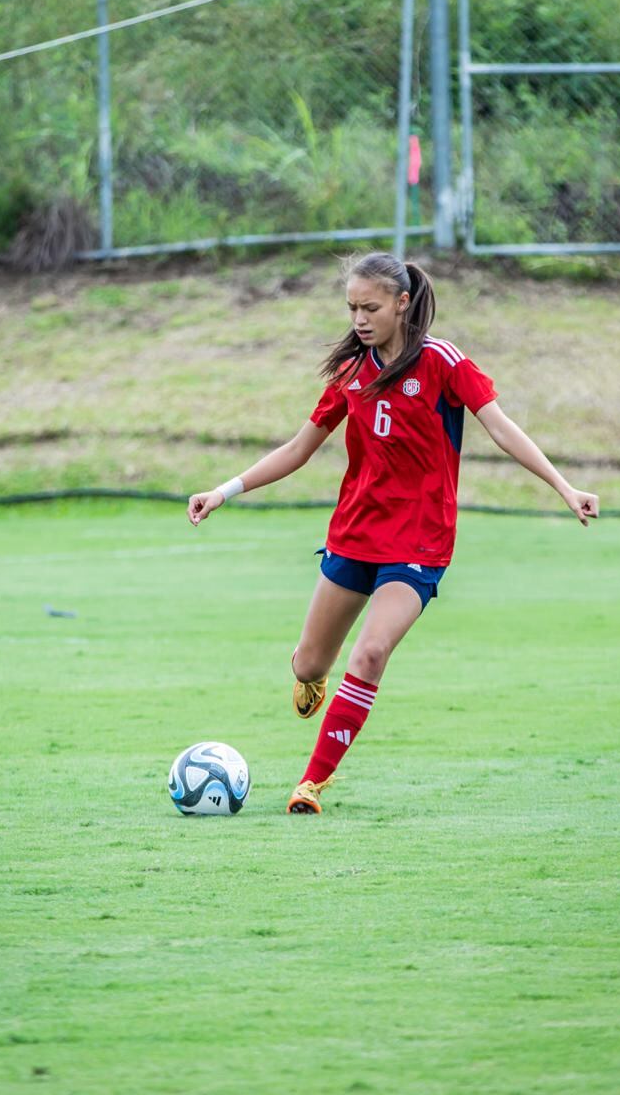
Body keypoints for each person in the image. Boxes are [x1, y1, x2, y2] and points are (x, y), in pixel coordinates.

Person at [187, 252, 599, 815]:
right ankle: (312, 676)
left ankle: (310, 784)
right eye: (352, 307)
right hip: (354, 536)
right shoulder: (352, 374)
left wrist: (564, 487)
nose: (359, 318)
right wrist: (224, 490)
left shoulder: (443, 363)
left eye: (371, 307)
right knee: (310, 665)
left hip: (420, 544)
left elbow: (501, 428)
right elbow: (298, 450)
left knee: (372, 652)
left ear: (402, 304)